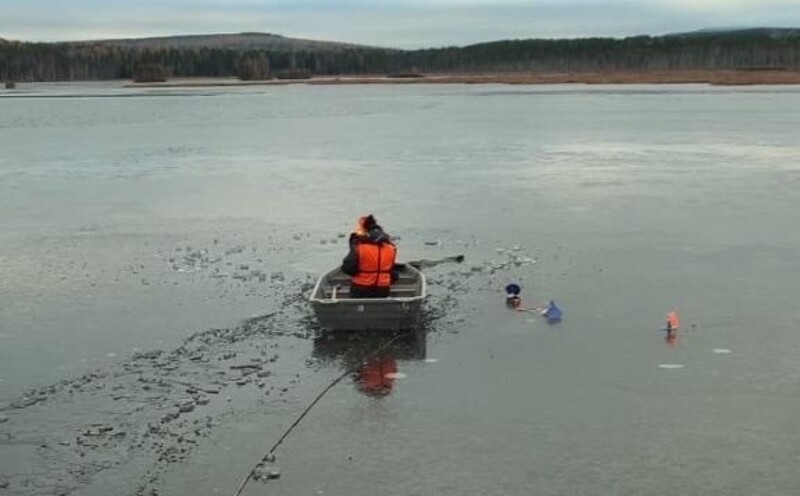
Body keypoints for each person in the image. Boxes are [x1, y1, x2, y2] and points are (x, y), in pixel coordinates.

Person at [341, 215, 398, 298]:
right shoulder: (391, 248)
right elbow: (391, 271)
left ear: (365, 231)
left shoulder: (360, 247)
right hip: (383, 290)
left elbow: (348, 268)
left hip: (360, 290)